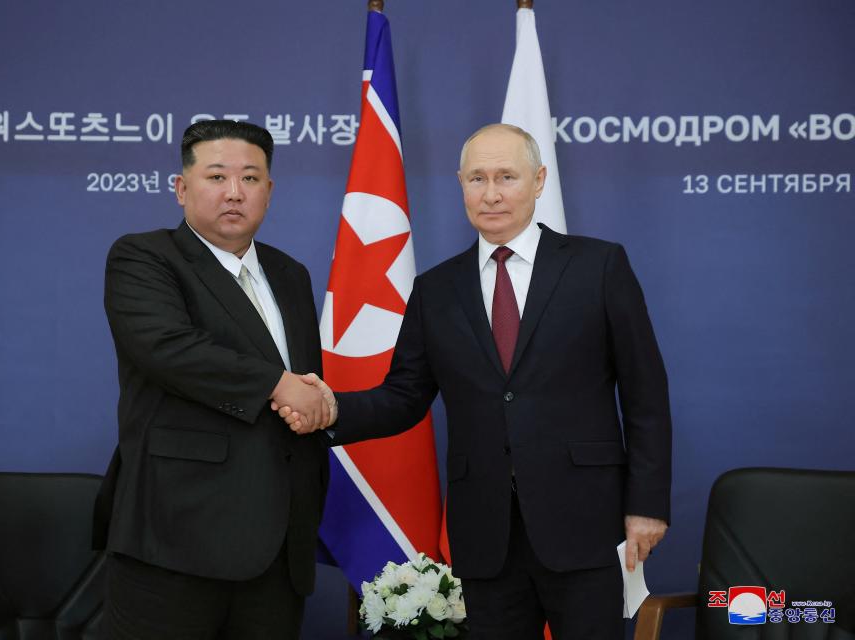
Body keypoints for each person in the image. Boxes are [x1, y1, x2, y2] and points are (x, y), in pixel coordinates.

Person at [279, 123, 672, 639]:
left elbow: (646, 394)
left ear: (538, 181)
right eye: (477, 178)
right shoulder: (436, 289)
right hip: (486, 535)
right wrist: (331, 409)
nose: (491, 193)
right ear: (460, 185)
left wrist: (646, 505)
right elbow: (404, 397)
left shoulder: (598, 266)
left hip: (585, 524)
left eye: (506, 177)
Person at [93, 119, 334, 639]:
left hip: (278, 546)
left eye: (250, 179)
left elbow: (304, 381)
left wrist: (310, 399)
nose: (234, 192)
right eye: (216, 176)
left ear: (269, 192)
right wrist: (279, 386)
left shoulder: (291, 274)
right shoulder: (145, 256)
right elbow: (170, 349)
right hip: (177, 538)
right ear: (181, 188)